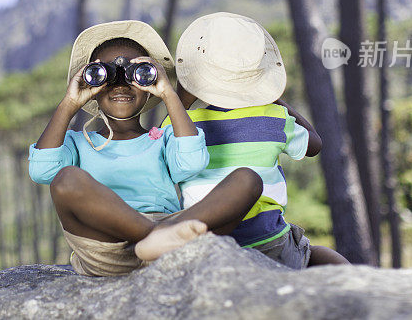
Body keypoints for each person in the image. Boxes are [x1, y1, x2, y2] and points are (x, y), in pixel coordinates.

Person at [28, 20, 263, 277]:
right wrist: (69, 103)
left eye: (135, 73)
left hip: (173, 231)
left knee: (248, 179)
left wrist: (168, 93)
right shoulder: (77, 143)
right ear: (91, 87)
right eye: (104, 76)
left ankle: (159, 238)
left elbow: (192, 162)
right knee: (66, 179)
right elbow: (42, 171)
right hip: (107, 246)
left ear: (149, 86)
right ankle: (155, 237)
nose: (120, 85)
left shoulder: (163, 137)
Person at [164, 12, 349, 268]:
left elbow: (163, 139)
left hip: (205, 237)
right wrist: (275, 99)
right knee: (320, 255)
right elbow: (315, 145)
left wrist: (183, 94)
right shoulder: (274, 116)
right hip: (267, 239)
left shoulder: (184, 124)